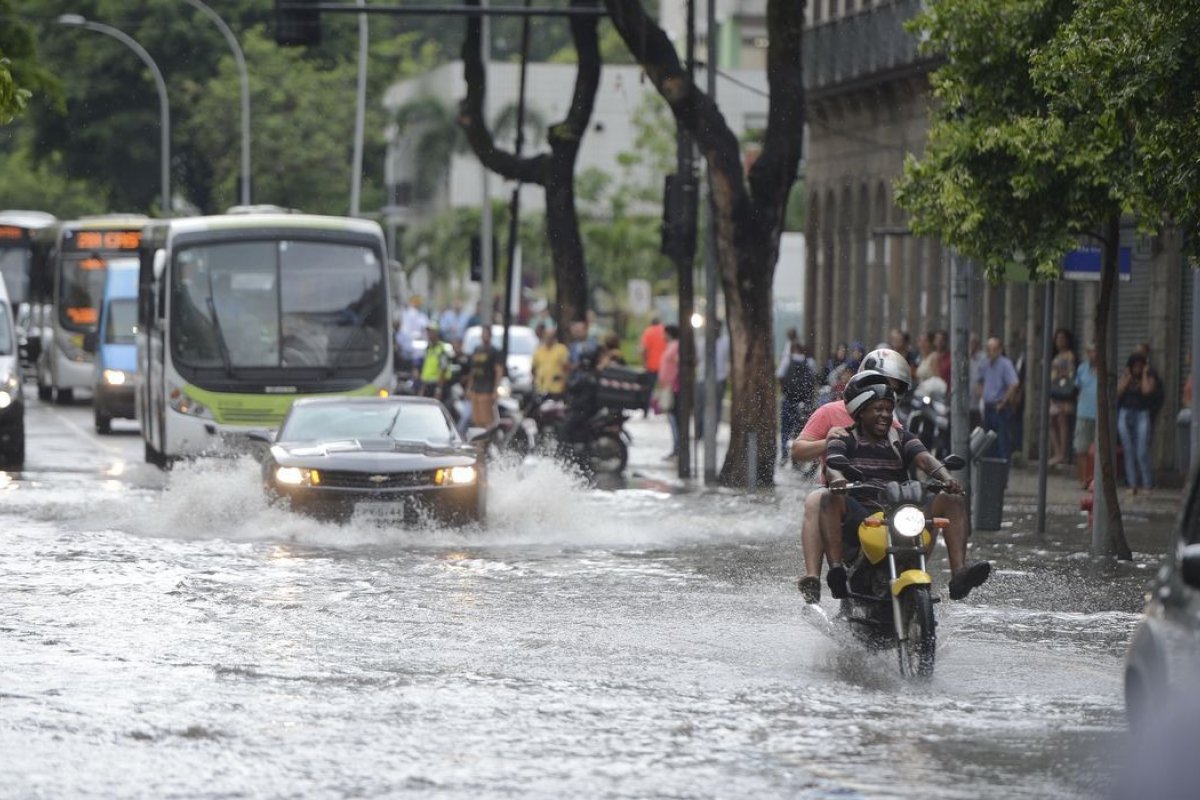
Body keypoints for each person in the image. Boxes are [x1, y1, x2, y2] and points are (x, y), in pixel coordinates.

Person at [818, 371, 990, 602]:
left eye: (889, 410)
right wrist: (837, 478)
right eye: (878, 409)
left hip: (900, 512)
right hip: (862, 516)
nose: (885, 415)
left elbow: (926, 459)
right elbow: (832, 465)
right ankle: (837, 570)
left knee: (952, 500)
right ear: (861, 411)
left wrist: (946, 477)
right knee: (828, 498)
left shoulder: (901, 437)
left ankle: (959, 574)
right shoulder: (844, 438)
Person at [791, 349, 911, 604]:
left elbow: (910, 454)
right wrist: (828, 442)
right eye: (881, 385)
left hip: (881, 499)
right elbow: (798, 450)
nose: (883, 409)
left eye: (893, 389)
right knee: (816, 498)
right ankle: (813, 576)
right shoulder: (830, 412)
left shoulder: (892, 422)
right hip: (842, 496)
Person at [1118, 351, 1157, 495]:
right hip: (1125, 413)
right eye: (1135, 366)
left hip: (1142, 414)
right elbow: (1118, 392)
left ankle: (1147, 483)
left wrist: (1145, 373)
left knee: (1142, 450)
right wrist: (1128, 377)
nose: (1137, 369)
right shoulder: (1127, 376)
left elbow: (1147, 391)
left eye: (1140, 366)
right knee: (1128, 450)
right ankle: (1132, 483)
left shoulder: (1149, 376)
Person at [978, 336, 1021, 460]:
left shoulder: (1005, 364)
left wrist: (1004, 400)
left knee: (1002, 440)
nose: (990, 352)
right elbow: (980, 381)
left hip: (999, 407)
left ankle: (1002, 465)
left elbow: (1014, 384)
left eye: (993, 349)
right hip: (988, 406)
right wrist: (982, 396)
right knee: (988, 440)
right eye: (988, 349)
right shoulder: (986, 364)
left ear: (1000, 349)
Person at [779, 341, 817, 465]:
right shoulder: (809, 362)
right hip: (803, 402)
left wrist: (785, 389)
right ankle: (796, 458)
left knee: (785, 429)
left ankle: (784, 455)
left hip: (788, 399)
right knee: (800, 429)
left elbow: (780, 375)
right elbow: (813, 379)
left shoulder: (787, 360)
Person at [1048, 328, 1077, 467]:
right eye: (1057, 339)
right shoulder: (1056, 355)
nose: (1060, 342)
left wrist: (1060, 371)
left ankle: (1063, 454)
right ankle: (1057, 452)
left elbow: (1071, 374)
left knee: (1062, 421)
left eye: (1062, 339)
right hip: (1054, 392)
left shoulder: (1069, 355)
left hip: (1064, 394)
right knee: (1052, 422)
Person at [466, 325, 504, 429]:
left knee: (486, 420)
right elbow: (472, 371)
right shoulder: (477, 349)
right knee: (476, 419)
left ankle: (485, 442)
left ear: (490, 336)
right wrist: (469, 387)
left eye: (486, 334)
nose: (484, 336)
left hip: (487, 388)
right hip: (476, 388)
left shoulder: (495, 351)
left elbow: (498, 371)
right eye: (482, 334)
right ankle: (478, 443)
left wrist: (496, 389)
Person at [1073, 343, 1098, 488]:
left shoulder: (1106, 370)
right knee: (1081, 448)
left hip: (1099, 416)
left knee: (1096, 451)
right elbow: (1077, 389)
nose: (1094, 355)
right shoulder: (1082, 369)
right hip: (1083, 413)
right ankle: (1083, 479)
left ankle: (1094, 480)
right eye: (1091, 352)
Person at [659, 324, 680, 460]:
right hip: (668, 387)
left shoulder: (676, 346)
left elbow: (678, 364)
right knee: (672, 419)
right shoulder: (671, 345)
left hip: (674, 388)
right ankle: (676, 447)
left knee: (674, 419)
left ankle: (677, 448)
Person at [419, 322, 454, 401]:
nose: (428, 334)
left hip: (437, 386)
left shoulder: (442, 349)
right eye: (428, 332)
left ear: (436, 333)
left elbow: (443, 369)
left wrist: (438, 389)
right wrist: (423, 388)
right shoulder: (429, 348)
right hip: (427, 386)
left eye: (430, 332)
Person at [532, 326, 569, 397]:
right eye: (547, 336)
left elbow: (566, 368)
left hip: (557, 389)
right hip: (541, 388)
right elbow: (533, 368)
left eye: (551, 336)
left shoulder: (561, 349)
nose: (549, 338)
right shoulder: (539, 350)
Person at [639, 316, 667, 401]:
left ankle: (646, 410)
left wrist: (644, 361)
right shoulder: (664, 331)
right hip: (664, 366)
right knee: (665, 390)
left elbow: (643, 349)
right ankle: (665, 409)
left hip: (651, 366)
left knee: (648, 390)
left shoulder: (648, 331)